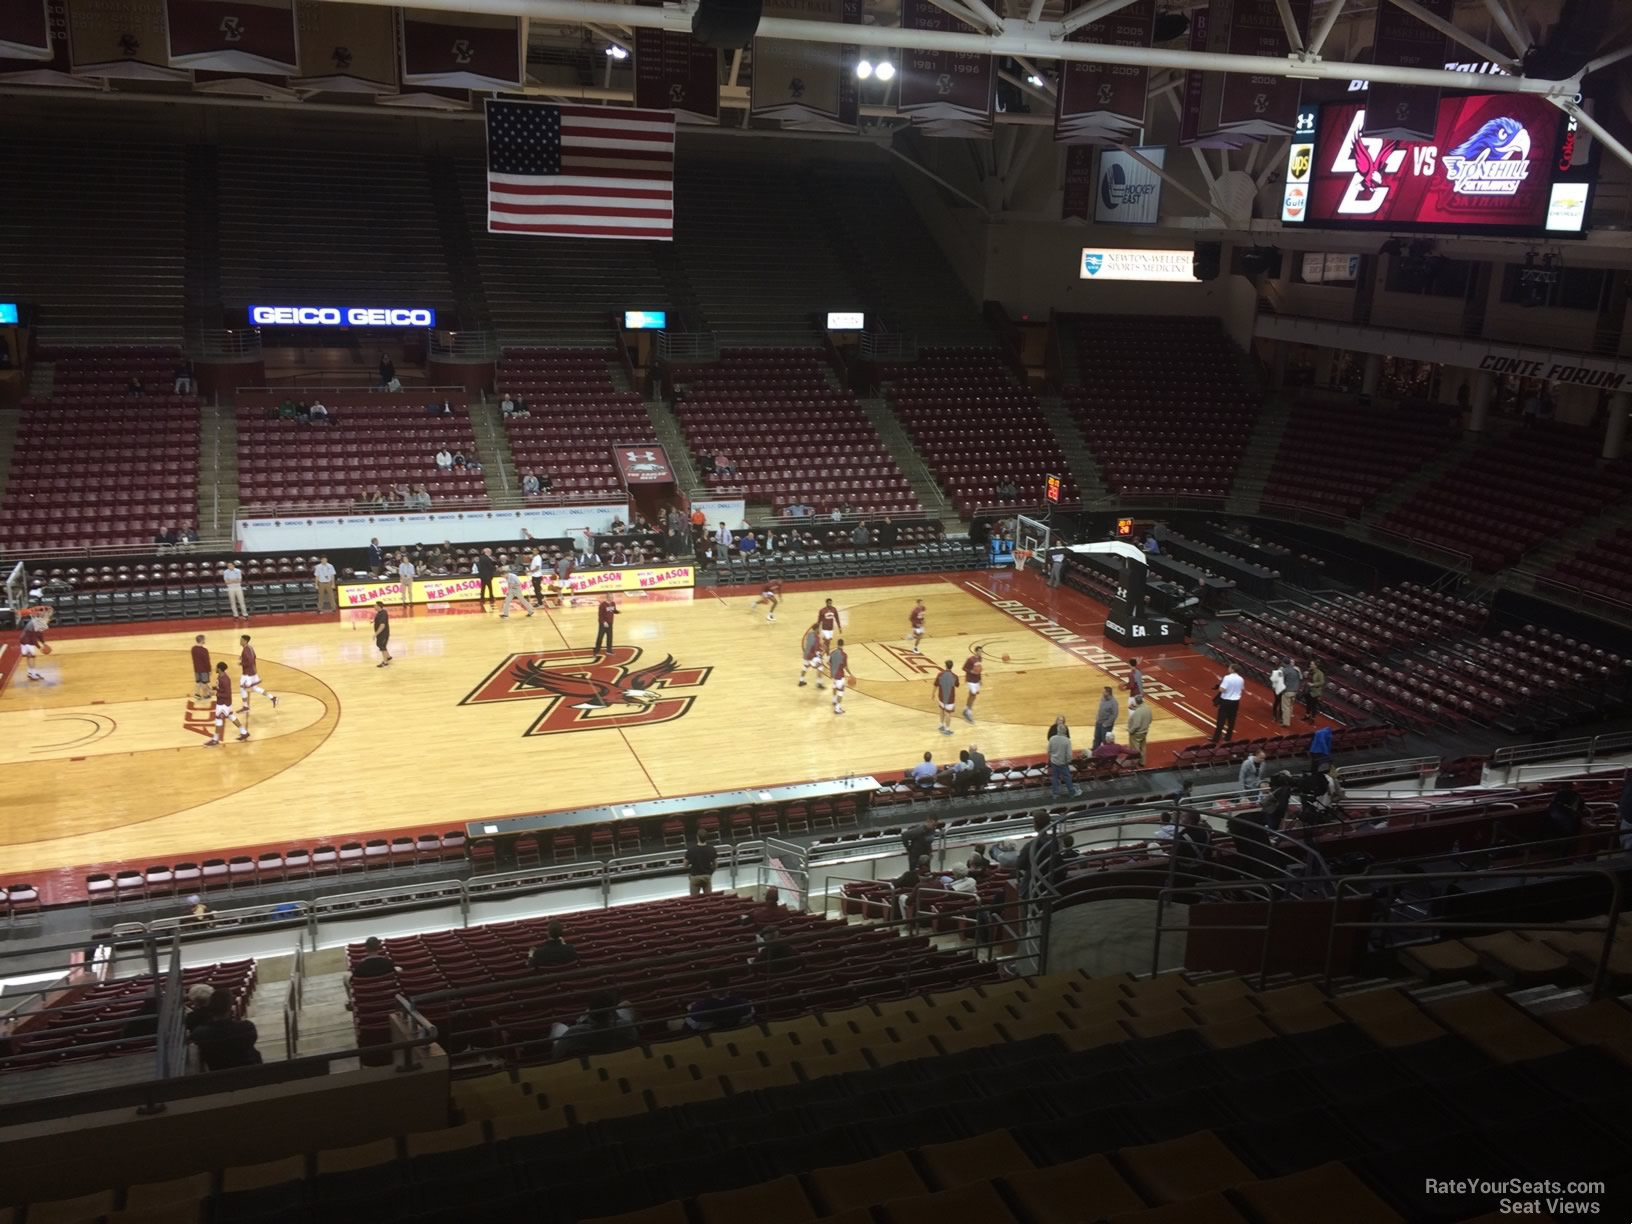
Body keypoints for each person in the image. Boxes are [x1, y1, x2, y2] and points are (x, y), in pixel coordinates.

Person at [190, 988, 261, 1070]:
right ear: (229, 1007)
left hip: (219, 1076)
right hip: (250, 1072)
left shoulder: (199, 1034)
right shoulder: (247, 1028)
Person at [552, 993, 637, 1057]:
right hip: (617, 1049)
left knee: (556, 1025)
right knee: (626, 1004)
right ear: (612, 1013)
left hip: (586, 1045)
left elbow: (557, 1053)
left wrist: (580, 1024)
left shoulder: (575, 1031)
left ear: (591, 1017)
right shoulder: (626, 1026)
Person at [684, 971, 754, 1032]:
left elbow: (692, 1024)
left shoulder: (699, 1009)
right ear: (728, 983)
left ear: (709, 986)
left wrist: (693, 1007)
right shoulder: (744, 1005)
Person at [203, 662, 248, 745]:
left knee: (218, 719)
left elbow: (227, 694)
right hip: (224, 703)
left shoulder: (225, 680)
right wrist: (211, 688)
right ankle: (244, 732)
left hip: (224, 704)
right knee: (231, 716)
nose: (215, 669)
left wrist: (215, 693)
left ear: (219, 669)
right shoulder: (220, 676)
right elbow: (220, 687)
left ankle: (215, 740)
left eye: (216, 667)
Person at [237, 636, 278, 716]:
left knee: (242, 688)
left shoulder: (246, 650)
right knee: (255, 688)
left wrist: (241, 663)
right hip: (253, 672)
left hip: (248, 674)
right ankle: (273, 698)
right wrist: (242, 658)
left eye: (241, 640)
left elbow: (250, 661)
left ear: (245, 641)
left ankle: (245, 707)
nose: (240, 641)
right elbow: (254, 657)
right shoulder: (250, 647)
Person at [1210, 665, 1244, 744]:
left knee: (1221, 720)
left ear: (1233, 669)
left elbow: (1222, 689)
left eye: (1229, 667)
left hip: (1226, 701)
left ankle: (1216, 738)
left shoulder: (1227, 678)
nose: (1228, 669)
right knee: (1232, 720)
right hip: (1235, 702)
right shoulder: (1241, 679)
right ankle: (1228, 737)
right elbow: (1241, 688)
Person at [1048, 722, 1080, 799]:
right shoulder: (1067, 740)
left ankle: (1056, 794)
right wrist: (1068, 761)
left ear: (1057, 730)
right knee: (1067, 777)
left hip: (1054, 761)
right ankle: (1071, 792)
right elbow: (1069, 754)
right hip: (1063, 763)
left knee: (1055, 778)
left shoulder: (1052, 739)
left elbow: (1049, 751)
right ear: (1065, 731)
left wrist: (1052, 758)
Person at [17, 615, 48, 683]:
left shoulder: (38, 622)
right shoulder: (34, 624)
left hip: (25, 640)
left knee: (29, 656)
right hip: (27, 641)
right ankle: (33, 674)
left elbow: (40, 634)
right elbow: (33, 639)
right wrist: (39, 647)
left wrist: (44, 643)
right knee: (32, 657)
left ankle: (30, 673)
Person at [932, 659, 959, 736]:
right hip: (950, 698)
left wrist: (933, 694)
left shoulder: (940, 674)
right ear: (952, 667)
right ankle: (947, 729)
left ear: (945, 666)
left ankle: (941, 725)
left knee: (941, 709)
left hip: (941, 696)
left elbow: (935, 685)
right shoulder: (955, 676)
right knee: (948, 713)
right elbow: (957, 685)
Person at [798, 623, 826, 689]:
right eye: (819, 629)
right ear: (816, 629)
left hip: (806, 654)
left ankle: (801, 680)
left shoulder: (809, 635)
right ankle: (819, 683)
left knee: (805, 667)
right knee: (820, 668)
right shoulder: (816, 637)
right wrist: (820, 656)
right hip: (812, 656)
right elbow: (816, 649)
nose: (819, 630)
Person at [1125, 695, 1152, 763]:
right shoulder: (1148, 708)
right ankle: (1142, 762)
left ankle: (1134, 763)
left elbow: (1136, 725)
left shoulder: (1138, 712)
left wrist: (1130, 730)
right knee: (1143, 747)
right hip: (1145, 731)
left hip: (1136, 733)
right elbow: (1151, 719)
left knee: (1135, 749)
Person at [962, 645, 984, 723]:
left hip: (976, 680)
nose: (981, 653)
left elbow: (979, 670)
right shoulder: (970, 659)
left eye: (982, 651)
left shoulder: (980, 659)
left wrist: (980, 679)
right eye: (980, 651)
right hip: (970, 679)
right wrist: (971, 671)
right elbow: (964, 668)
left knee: (972, 696)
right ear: (976, 651)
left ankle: (965, 709)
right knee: (973, 695)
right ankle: (968, 713)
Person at [1093, 686, 1119, 750]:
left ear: (1108, 693)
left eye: (1104, 691)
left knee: (1105, 741)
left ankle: (1106, 755)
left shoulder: (1114, 702)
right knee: (1096, 739)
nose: (1102, 693)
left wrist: (1106, 723)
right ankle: (1094, 754)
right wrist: (1097, 718)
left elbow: (1115, 714)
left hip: (1106, 725)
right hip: (1099, 722)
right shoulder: (1103, 698)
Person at [829, 638, 849, 715]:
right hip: (839, 675)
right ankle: (837, 709)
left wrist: (831, 672)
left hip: (833, 674)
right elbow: (845, 667)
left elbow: (829, 663)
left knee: (834, 687)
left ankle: (834, 700)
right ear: (843, 645)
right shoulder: (844, 655)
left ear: (837, 644)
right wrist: (851, 674)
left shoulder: (832, 652)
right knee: (841, 691)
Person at [1279, 659, 1302, 728]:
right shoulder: (1296, 670)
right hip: (1295, 691)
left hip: (1287, 691)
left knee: (1285, 707)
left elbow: (1280, 680)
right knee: (1290, 707)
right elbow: (1301, 678)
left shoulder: (1285, 670)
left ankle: (1286, 722)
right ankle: (1288, 719)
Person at [190, 634, 211, 700]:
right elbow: (207, 661)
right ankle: (205, 695)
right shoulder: (204, 650)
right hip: (204, 669)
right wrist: (209, 670)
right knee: (204, 682)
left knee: (198, 682)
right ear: (202, 640)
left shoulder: (193, 649)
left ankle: (197, 694)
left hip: (196, 668)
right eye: (204, 639)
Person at [372, 601, 393, 668]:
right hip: (381, 634)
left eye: (375, 605)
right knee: (380, 645)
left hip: (383, 634)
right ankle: (388, 657)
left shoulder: (383, 614)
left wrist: (376, 634)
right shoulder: (380, 612)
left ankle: (385, 662)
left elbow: (382, 625)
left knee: (382, 646)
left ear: (378, 606)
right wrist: (373, 621)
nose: (374, 606)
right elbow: (379, 620)